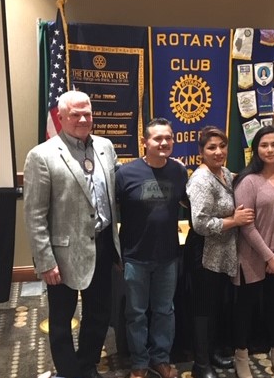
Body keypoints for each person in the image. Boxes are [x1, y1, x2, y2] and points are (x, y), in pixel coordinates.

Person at [24, 90, 121, 378]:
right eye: (75, 114)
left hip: (103, 244)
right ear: (62, 117)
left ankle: (87, 366)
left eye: (87, 113)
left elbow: (118, 188)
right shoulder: (41, 155)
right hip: (62, 254)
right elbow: (34, 215)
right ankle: (69, 373)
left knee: (99, 313)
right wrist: (45, 261)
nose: (82, 119)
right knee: (61, 319)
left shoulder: (105, 146)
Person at [116, 118, 188, 378]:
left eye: (168, 138)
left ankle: (160, 359)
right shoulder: (125, 173)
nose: (164, 143)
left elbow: (188, 201)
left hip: (168, 256)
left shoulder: (179, 171)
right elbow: (112, 210)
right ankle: (139, 362)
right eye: (158, 138)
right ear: (144, 142)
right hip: (135, 256)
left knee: (164, 311)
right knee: (136, 313)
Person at [232, 126, 274, 378]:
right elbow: (246, 226)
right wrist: (268, 257)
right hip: (252, 255)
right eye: (264, 145)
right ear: (256, 149)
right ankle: (241, 356)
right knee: (246, 309)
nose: (270, 150)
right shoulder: (247, 181)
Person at [185, 126, 255, 378]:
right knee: (203, 310)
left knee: (216, 305)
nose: (218, 152)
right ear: (201, 152)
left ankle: (212, 352)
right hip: (204, 252)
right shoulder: (201, 180)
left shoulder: (224, 172)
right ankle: (200, 364)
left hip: (224, 252)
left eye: (222, 146)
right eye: (211, 147)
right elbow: (200, 223)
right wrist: (234, 221)